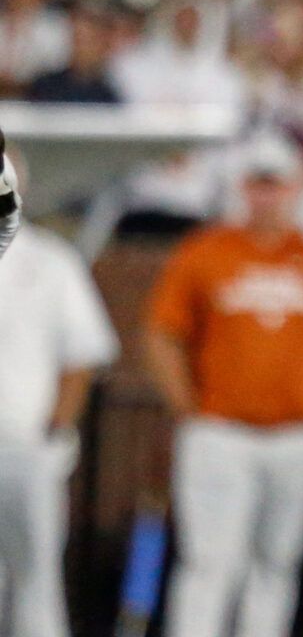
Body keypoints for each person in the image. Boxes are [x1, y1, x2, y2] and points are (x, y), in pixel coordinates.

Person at [143, 131, 303, 637]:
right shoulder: (206, 253)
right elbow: (162, 333)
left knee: (275, 566)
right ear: (243, 188)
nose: (267, 196)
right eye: (258, 184)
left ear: (296, 189)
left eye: (276, 185)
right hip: (221, 430)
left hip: (296, 434)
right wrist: (186, 406)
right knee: (211, 562)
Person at [0, 155, 119, 637]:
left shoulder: (51, 261)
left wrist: (55, 429)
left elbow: (84, 353)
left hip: (27, 444)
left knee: (36, 577)